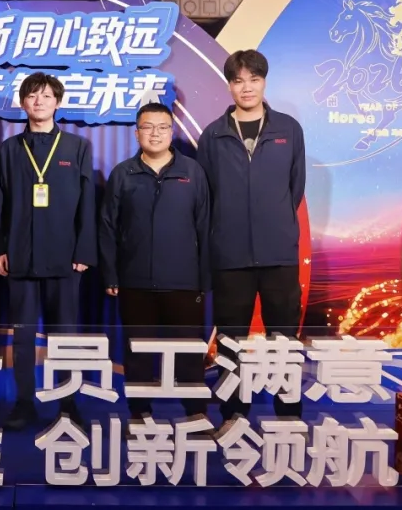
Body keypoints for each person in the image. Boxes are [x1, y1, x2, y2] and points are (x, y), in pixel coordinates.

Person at [196, 49, 306, 422]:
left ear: (264, 82)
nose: (246, 87)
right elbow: (207, 194)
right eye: (238, 80)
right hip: (230, 255)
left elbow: (294, 189)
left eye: (254, 79)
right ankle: (233, 414)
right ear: (229, 86)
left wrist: (273, 221)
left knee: (284, 339)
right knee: (231, 340)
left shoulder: (288, 129)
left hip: (279, 254)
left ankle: (289, 415)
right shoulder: (213, 135)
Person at [0, 72, 96, 430]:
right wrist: (0, 248)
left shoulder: (76, 147)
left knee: (65, 336)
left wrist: (84, 250)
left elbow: (87, 203)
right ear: (23, 103)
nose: (39, 101)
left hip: (65, 258)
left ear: (58, 102)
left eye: (47, 96)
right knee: (22, 336)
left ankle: (68, 403)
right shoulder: (9, 149)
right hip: (20, 257)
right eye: (32, 96)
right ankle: (24, 403)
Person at [99, 102, 211, 422]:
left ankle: (195, 414)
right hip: (135, 281)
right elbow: (107, 227)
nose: (155, 133)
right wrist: (111, 275)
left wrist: (204, 279)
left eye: (162, 127)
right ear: (137, 133)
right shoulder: (123, 173)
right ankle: (139, 413)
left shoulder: (193, 172)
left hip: (184, 282)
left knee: (189, 352)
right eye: (147, 127)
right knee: (138, 352)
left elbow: (205, 227)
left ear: (172, 132)